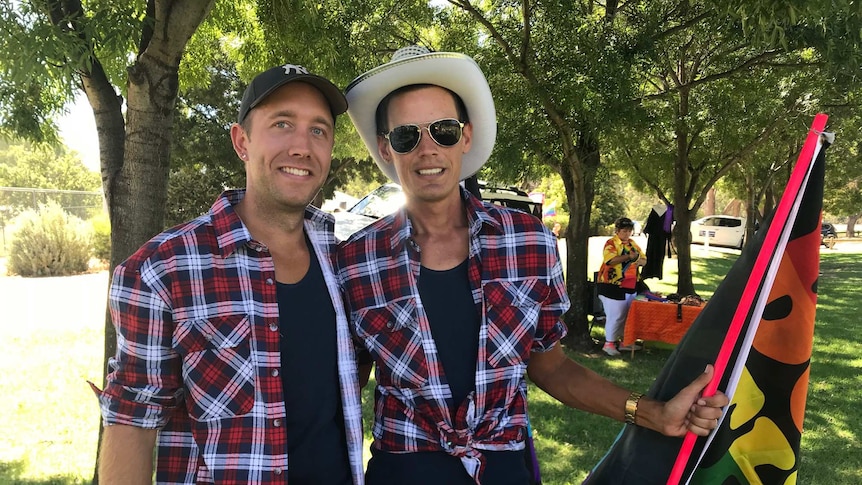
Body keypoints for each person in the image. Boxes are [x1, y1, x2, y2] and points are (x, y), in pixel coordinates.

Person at [337, 45, 728, 485]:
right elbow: (340, 392)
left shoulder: (527, 241)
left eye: (442, 130)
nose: (427, 149)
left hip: (504, 469)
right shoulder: (355, 260)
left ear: (465, 137)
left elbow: (552, 366)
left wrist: (653, 413)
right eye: (408, 135)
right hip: (404, 471)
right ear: (388, 149)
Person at [95, 63, 365, 484]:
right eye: (282, 124)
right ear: (242, 141)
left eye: (318, 130)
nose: (302, 146)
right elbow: (131, 421)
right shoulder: (162, 270)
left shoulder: (344, 260)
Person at [597, 217, 647, 356]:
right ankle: (609, 343)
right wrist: (629, 258)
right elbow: (610, 260)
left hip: (631, 285)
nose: (627, 234)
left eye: (629, 231)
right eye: (624, 231)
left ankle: (625, 342)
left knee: (628, 315)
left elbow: (643, 260)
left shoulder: (633, 244)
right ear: (617, 231)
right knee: (616, 316)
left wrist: (637, 259)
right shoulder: (611, 243)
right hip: (612, 286)